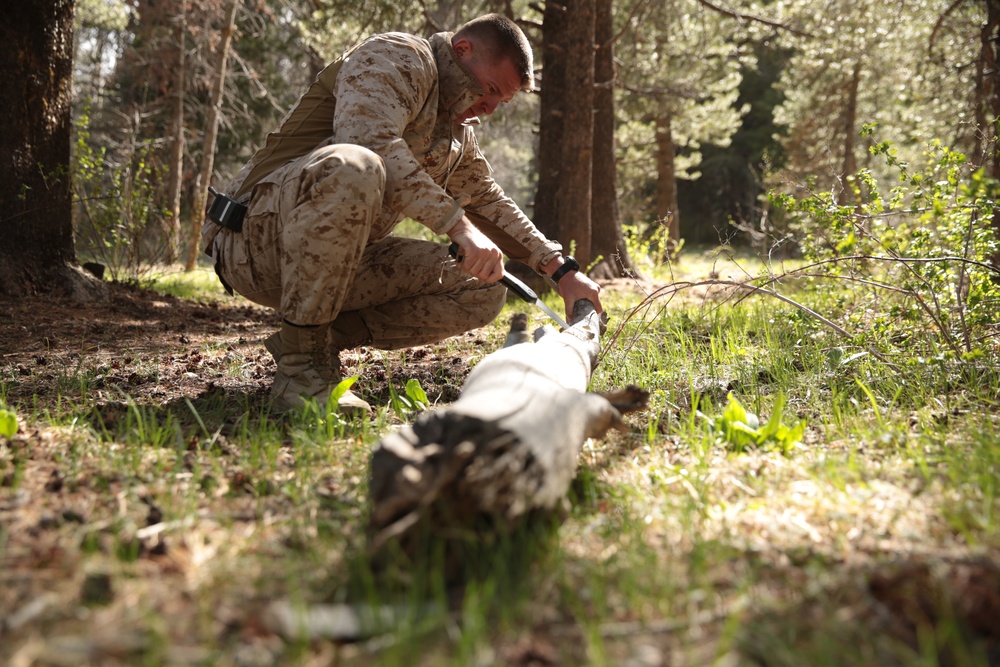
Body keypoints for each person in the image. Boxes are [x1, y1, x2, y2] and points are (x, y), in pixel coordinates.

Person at [202, 13, 603, 416]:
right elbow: (366, 139)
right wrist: (457, 226)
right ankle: (300, 375)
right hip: (252, 244)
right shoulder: (398, 55)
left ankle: (310, 345)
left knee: (485, 285)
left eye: (503, 100)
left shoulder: (455, 131)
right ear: (462, 51)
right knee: (354, 165)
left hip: (336, 265)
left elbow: (485, 198)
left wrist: (562, 270)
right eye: (491, 89)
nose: (491, 108)